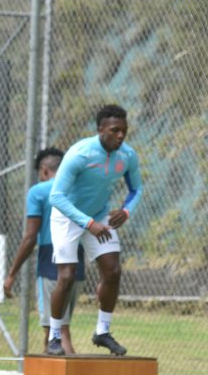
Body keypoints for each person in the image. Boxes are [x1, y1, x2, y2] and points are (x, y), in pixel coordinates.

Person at [47, 104, 142, 356]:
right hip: (68, 216)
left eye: (124, 130)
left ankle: (102, 332)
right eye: (114, 130)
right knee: (66, 276)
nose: (120, 136)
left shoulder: (127, 156)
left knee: (113, 271)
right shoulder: (80, 154)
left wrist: (126, 210)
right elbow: (56, 197)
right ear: (101, 130)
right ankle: (54, 336)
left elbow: (136, 190)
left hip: (100, 215)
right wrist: (89, 224)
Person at [4, 147, 83, 354]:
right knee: (59, 329)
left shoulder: (39, 191)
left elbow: (30, 237)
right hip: (77, 260)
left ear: (44, 170)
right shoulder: (76, 189)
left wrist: (12, 274)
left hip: (51, 261)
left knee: (57, 333)